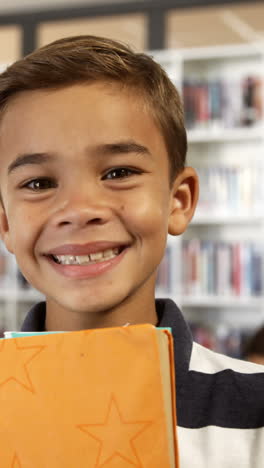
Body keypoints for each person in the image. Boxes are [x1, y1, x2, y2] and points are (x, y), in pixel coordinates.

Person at [0, 35, 263, 467]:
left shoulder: (255, 409)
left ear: (178, 201)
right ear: (7, 224)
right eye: (39, 183)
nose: (80, 211)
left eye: (118, 172)